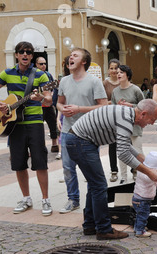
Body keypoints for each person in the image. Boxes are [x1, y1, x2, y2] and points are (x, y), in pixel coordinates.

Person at [64, 99, 157, 240]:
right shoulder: (126, 119)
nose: (152, 123)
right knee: (99, 186)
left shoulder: (126, 115)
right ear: (143, 113)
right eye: (152, 119)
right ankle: (104, 230)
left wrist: (144, 159)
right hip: (80, 142)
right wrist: (149, 173)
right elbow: (123, 153)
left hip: (78, 140)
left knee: (94, 186)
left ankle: (90, 225)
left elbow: (124, 144)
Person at [0, 41, 54, 216]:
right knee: (18, 164)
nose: (25, 55)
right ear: (17, 55)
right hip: (14, 125)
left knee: (40, 162)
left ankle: (45, 199)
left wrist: (40, 97)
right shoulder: (7, 73)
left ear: (32, 56)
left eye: (28, 52)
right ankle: (26, 198)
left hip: (34, 123)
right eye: (21, 52)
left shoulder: (41, 76)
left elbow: (49, 100)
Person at [56, 47, 108, 214]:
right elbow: (59, 102)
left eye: (75, 56)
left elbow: (103, 106)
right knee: (67, 167)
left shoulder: (94, 81)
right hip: (67, 131)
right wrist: (62, 109)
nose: (70, 57)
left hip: (89, 133)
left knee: (92, 170)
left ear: (84, 61)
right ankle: (73, 199)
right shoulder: (64, 81)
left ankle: (93, 203)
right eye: (70, 55)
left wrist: (79, 108)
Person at [111, 64, 145, 184]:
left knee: (137, 151)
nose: (118, 74)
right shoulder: (115, 91)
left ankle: (138, 174)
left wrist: (130, 105)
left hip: (135, 126)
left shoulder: (136, 89)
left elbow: (144, 107)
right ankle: (123, 177)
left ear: (128, 75)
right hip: (121, 126)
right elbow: (112, 109)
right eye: (118, 72)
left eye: (121, 72)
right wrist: (118, 107)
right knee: (122, 151)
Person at [132, 151, 157, 238]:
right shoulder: (149, 175)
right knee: (143, 214)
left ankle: (137, 227)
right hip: (143, 200)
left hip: (136, 197)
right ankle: (140, 231)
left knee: (139, 215)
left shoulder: (142, 169)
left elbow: (153, 171)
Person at [36, 56, 59, 153]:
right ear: (36, 65)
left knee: (53, 124)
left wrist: (52, 93)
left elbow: (53, 87)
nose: (43, 65)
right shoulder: (33, 75)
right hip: (37, 106)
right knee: (37, 127)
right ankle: (38, 146)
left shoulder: (48, 75)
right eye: (41, 64)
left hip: (48, 105)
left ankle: (54, 144)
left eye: (45, 63)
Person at [103, 59, 121, 183]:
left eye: (116, 68)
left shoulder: (123, 81)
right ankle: (114, 171)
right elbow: (102, 101)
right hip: (110, 117)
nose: (113, 71)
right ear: (108, 70)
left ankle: (133, 169)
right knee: (112, 144)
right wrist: (114, 102)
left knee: (127, 143)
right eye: (111, 68)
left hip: (123, 116)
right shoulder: (105, 83)